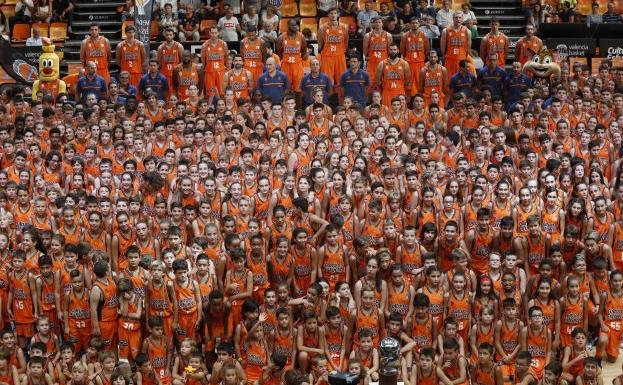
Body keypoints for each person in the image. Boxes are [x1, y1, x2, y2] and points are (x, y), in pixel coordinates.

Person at [318, 8, 348, 87]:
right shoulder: (322, 27)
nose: (333, 15)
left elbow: (346, 42)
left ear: (338, 15)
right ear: (328, 15)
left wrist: (341, 50)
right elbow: (320, 44)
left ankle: (341, 99)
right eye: (331, 13)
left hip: (340, 55)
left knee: (341, 81)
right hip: (327, 56)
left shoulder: (344, 27)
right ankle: (325, 99)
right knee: (326, 81)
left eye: (335, 13)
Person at [276, 19, 307, 95]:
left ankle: (299, 107)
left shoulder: (301, 36)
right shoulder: (281, 37)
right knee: (286, 89)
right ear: (288, 26)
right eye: (292, 25)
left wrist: (299, 59)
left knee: (299, 90)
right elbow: (278, 53)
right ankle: (286, 106)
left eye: (295, 25)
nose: (295, 27)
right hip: (286, 65)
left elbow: (304, 51)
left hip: (297, 65)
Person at [375, 43, 411, 107]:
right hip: (387, 92)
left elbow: (407, 81)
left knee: (401, 113)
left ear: (398, 51)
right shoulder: (382, 64)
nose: (393, 51)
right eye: (391, 50)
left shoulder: (404, 63)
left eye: (394, 49)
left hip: (400, 92)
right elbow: (378, 81)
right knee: (386, 113)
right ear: (388, 50)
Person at [440, 12, 471, 78]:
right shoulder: (446, 31)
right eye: (456, 17)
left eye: (460, 17)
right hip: (449, 59)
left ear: (462, 19)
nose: (458, 19)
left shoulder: (467, 31)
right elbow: (442, 47)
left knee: (462, 81)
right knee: (449, 80)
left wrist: (465, 57)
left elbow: (468, 48)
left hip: (462, 60)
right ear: (453, 19)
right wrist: (445, 56)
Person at [200, 26, 228, 98]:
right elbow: (203, 60)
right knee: (210, 94)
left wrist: (226, 69)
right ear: (209, 33)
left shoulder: (223, 44)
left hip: (221, 71)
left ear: (218, 33)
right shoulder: (205, 45)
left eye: (215, 33)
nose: (214, 35)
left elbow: (226, 58)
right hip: (209, 71)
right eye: (212, 33)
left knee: (222, 92)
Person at [116, 24, 147, 89]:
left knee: (137, 92)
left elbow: (144, 58)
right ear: (126, 33)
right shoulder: (120, 45)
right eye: (129, 32)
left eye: (133, 32)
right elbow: (118, 60)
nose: (131, 34)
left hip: (137, 72)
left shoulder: (140, 44)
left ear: (135, 33)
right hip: (125, 74)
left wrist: (138, 66)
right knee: (125, 93)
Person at [156, 27, 184, 94]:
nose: (168, 36)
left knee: (176, 93)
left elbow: (183, 62)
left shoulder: (179, 46)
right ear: (164, 35)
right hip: (164, 74)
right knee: (165, 93)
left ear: (173, 35)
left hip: (175, 74)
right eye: (167, 35)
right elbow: (158, 63)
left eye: (170, 35)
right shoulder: (160, 48)